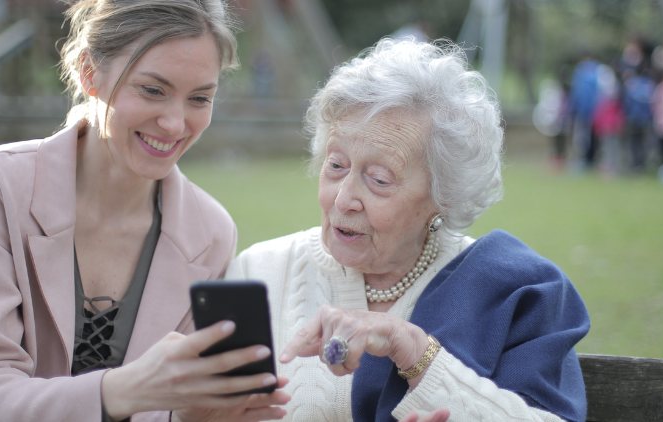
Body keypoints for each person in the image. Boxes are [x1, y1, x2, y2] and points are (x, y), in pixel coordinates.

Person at [0, 1, 289, 421]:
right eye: (153, 90)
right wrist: (125, 389)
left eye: (199, 98)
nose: (175, 124)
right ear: (89, 72)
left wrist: (198, 415)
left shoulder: (210, 232)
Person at [226, 38, 590, 422]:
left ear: (444, 196)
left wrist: (415, 352)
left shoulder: (513, 291)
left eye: (379, 179)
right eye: (336, 165)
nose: (344, 198)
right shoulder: (259, 273)